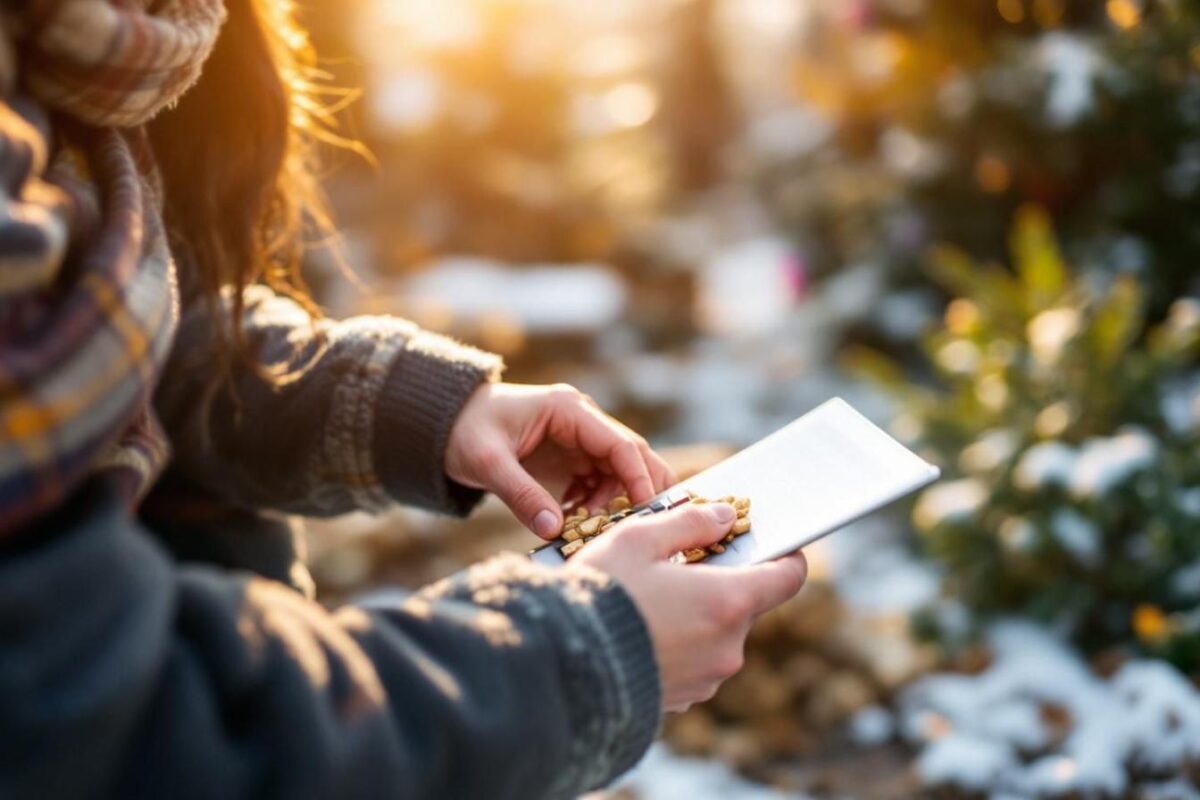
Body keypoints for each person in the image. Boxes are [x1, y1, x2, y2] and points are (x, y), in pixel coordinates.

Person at [0, 1, 808, 798]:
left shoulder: (109, 55)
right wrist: (576, 659)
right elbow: (109, 731)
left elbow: (153, 350)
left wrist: (420, 409)